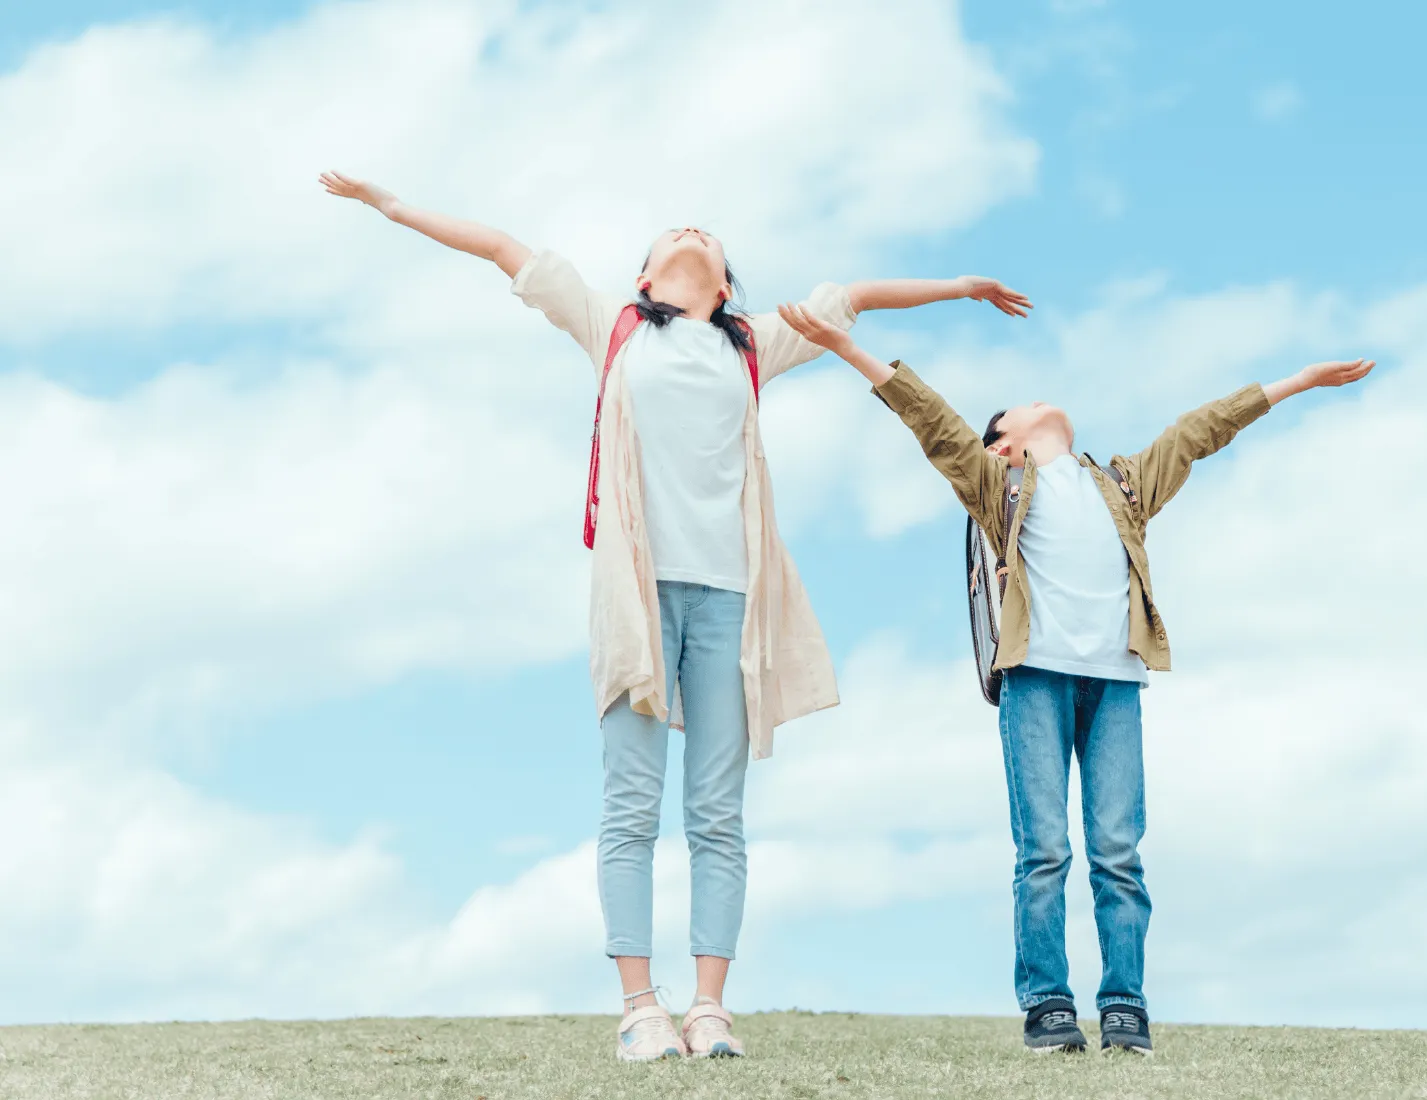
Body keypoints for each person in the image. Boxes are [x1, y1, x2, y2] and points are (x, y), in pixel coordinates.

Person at [319, 172, 1032, 1061]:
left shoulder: (753, 344)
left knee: (717, 812)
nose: (691, 231)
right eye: (670, 236)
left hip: (731, 598)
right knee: (630, 801)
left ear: (725, 286)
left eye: (707, 237)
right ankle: (638, 1008)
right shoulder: (610, 329)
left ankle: (708, 1009)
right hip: (638, 595)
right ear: (646, 283)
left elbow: (855, 298)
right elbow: (501, 246)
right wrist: (390, 206)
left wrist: (961, 287)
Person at [773, 300, 1373, 1055]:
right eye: (1016, 408)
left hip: (1115, 683)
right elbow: (928, 418)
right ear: (1003, 448)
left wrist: (1299, 381)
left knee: (1118, 851)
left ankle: (1124, 1004)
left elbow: (1200, 432)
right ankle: (1048, 1005)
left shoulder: (1122, 486)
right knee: (1045, 851)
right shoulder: (1000, 491)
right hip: (1037, 681)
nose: (1036, 400)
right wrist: (843, 346)